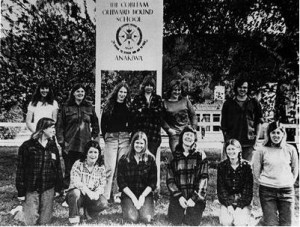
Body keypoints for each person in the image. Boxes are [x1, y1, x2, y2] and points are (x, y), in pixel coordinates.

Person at [15, 118, 63, 225]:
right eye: (52, 127)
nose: (54, 130)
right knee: (30, 221)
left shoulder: (53, 147)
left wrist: (59, 188)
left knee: (44, 222)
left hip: (48, 187)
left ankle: (27, 210)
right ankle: (19, 212)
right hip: (31, 187)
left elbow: (58, 168)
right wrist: (21, 191)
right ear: (43, 129)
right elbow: (20, 169)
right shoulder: (27, 146)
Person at [252, 121, 298, 226]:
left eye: (278, 133)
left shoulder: (290, 149)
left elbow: (295, 169)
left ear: (283, 134)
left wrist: (290, 182)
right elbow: (256, 171)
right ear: (268, 134)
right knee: (271, 223)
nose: (276, 136)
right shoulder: (261, 150)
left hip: (287, 191)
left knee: (287, 223)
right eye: (273, 133)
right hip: (267, 191)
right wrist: (265, 182)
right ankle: (265, 219)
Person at [56, 83, 99, 189]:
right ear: (73, 93)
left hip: (85, 144)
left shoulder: (89, 107)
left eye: (82, 91)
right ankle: (68, 191)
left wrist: (93, 137)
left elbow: (96, 124)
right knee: (69, 169)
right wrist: (62, 142)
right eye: (78, 91)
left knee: (84, 167)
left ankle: (82, 189)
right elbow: (60, 126)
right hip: (69, 144)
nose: (80, 93)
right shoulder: (66, 107)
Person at [166, 126, 208, 226]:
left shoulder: (200, 155)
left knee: (192, 222)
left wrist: (194, 198)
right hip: (178, 197)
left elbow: (203, 179)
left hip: (195, 198)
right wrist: (179, 196)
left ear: (195, 138)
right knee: (175, 221)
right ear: (181, 138)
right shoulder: (174, 156)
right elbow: (170, 180)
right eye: (186, 135)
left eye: (191, 135)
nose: (188, 137)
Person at [101, 82, 132, 202]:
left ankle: (117, 194)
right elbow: (103, 123)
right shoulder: (109, 105)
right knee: (110, 168)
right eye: (121, 92)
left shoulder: (128, 106)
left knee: (121, 167)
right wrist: (107, 136)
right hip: (111, 138)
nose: (122, 94)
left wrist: (127, 133)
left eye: (125, 92)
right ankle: (106, 195)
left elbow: (132, 122)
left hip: (124, 138)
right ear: (116, 92)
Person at [117, 131, 157, 223]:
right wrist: (134, 199)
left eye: (141, 143)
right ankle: (128, 206)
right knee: (132, 219)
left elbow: (152, 182)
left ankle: (147, 206)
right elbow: (121, 182)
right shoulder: (124, 159)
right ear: (132, 143)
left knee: (146, 219)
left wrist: (142, 196)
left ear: (145, 144)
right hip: (129, 194)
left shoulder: (151, 159)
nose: (139, 145)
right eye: (137, 142)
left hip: (145, 194)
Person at [221, 77, 263, 162]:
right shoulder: (228, 103)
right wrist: (227, 141)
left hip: (249, 142)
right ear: (236, 88)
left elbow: (259, 122)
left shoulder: (254, 103)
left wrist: (256, 140)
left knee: (248, 169)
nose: (242, 89)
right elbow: (223, 125)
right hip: (232, 142)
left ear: (248, 89)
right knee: (231, 168)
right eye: (240, 87)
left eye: (245, 87)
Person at [66, 140, 107, 225]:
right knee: (75, 193)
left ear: (99, 154)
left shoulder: (101, 167)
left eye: (95, 152)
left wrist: (96, 193)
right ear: (86, 153)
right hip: (78, 195)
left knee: (103, 202)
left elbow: (102, 184)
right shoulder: (78, 164)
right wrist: (89, 192)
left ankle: (89, 212)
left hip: (92, 196)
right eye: (90, 152)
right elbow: (76, 182)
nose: (93, 155)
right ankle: (74, 220)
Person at [217, 139, 253, 226]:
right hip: (227, 202)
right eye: (229, 149)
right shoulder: (222, 166)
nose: (231, 151)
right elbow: (221, 189)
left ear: (239, 150)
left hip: (243, 202)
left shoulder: (247, 166)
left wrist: (239, 207)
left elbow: (247, 190)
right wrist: (228, 205)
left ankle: (248, 216)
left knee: (239, 223)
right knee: (226, 222)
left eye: (233, 149)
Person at [131, 75, 163, 156]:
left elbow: (159, 114)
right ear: (143, 86)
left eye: (151, 85)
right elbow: (134, 114)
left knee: (150, 160)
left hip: (153, 135)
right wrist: (151, 111)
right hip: (139, 134)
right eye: (147, 85)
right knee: (138, 158)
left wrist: (143, 110)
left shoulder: (157, 98)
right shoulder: (137, 98)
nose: (149, 87)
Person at [162, 79, 197, 153]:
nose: (177, 92)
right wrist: (168, 130)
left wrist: (193, 127)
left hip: (188, 133)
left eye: (179, 90)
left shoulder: (185, 100)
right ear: (170, 90)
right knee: (177, 157)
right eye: (175, 90)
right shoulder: (165, 103)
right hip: (175, 135)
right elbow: (160, 119)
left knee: (190, 156)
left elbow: (193, 115)